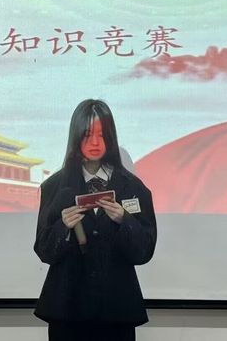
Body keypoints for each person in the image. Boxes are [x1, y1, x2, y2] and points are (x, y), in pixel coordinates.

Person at [34, 99, 157, 341]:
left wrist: (124, 220)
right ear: (75, 136)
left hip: (117, 310)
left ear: (111, 137)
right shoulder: (55, 186)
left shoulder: (133, 187)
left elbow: (144, 251)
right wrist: (63, 228)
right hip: (67, 310)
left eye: (101, 135)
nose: (94, 143)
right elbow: (44, 250)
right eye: (87, 134)